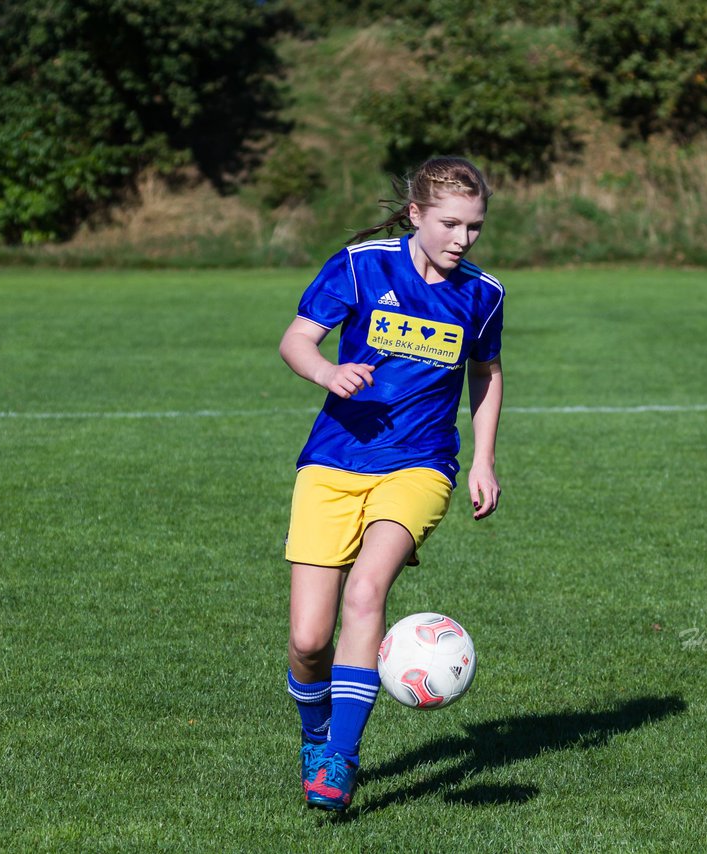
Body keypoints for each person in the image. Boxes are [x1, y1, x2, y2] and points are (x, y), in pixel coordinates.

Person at [278, 156, 505, 810]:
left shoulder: (482, 294)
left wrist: (484, 460)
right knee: (307, 639)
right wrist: (327, 374)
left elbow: (486, 374)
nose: (463, 239)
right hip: (332, 464)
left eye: (475, 227)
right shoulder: (362, 265)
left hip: (419, 465)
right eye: (450, 224)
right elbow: (297, 339)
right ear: (416, 215)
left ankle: (340, 761)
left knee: (368, 588)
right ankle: (317, 736)